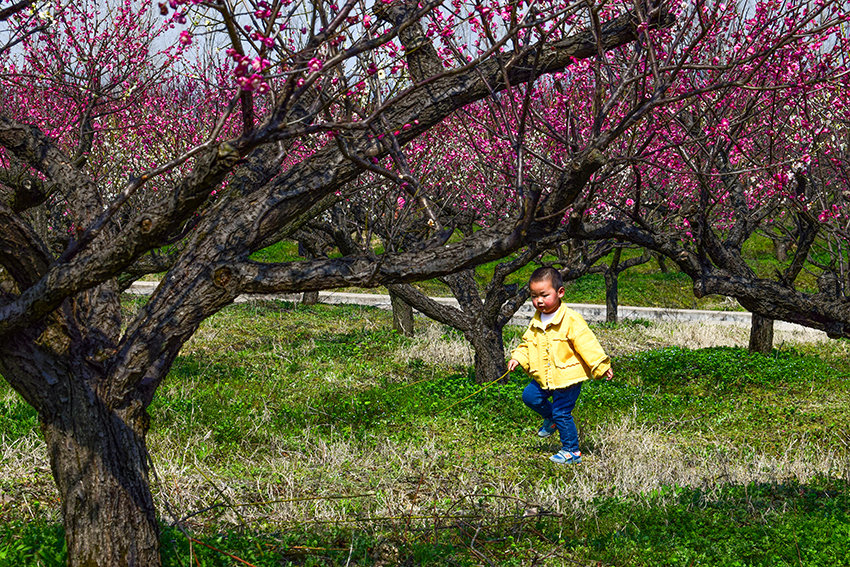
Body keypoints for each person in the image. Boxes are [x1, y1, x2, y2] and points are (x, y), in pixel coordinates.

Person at [507, 267, 613, 464]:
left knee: (562, 412)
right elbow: (527, 343)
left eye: (544, 295)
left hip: (567, 377)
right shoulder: (536, 320)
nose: (539, 301)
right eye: (534, 296)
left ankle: (571, 451)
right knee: (530, 396)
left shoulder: (570, 319)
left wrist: (600, 365)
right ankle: (552, 419)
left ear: (560, 292)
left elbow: (587, 343)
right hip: (544, 375)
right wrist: (518, 358)